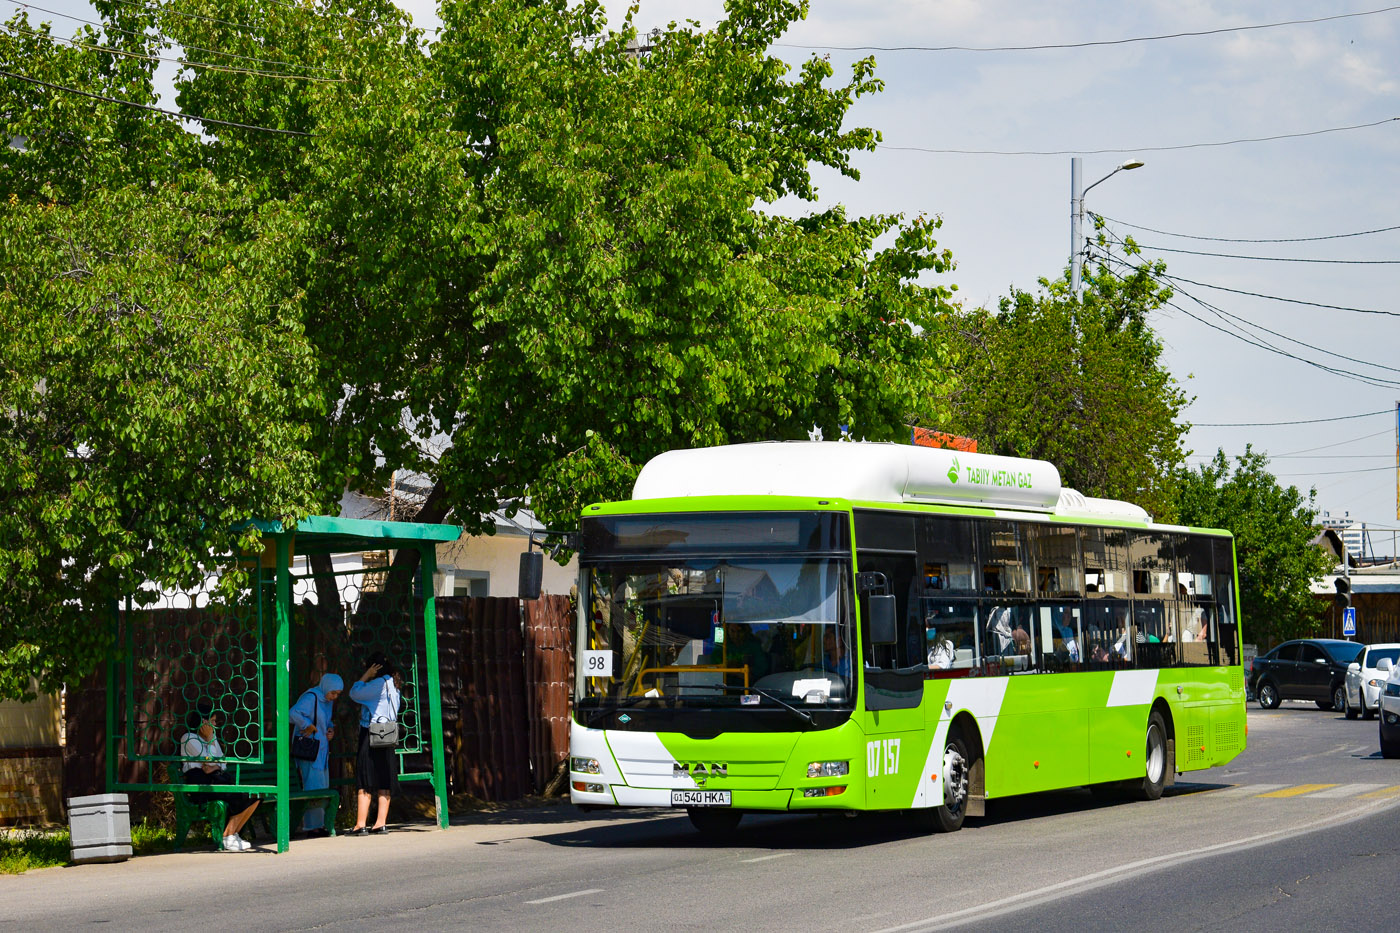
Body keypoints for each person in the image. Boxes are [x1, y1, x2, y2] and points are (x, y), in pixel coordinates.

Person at [180, 701, 260, 851]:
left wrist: (215, 764)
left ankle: (232, 834)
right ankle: (228, 836)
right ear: (204, 721)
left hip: (215, 779)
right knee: (236, 796)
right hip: (200, 785)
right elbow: (205, 760)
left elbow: (222, 762)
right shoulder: (188, 737)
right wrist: (210, 744)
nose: (215, 724)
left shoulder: (212, 736)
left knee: (253, 797)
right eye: (213, 721)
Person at [348, 653, 401, 835]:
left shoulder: (377, 685)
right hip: (388, 735)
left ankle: (360, 824)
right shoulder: (394, 685)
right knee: (384, 779)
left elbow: (354, 693)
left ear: (374, 668)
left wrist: (366, 676)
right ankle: (381, 822)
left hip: (371, 734)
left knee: (365, 778)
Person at [289, 673, 342, 837]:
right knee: (312, 785)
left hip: (322, 750)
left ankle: (320, 824)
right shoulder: (312, 697)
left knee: (321, 785)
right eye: (333, 692)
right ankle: (312, 827)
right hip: (309, 750)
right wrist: (308, 725)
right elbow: (292, 713)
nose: (334, 697)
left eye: (337, 694)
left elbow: (327, 721)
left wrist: (330, 730)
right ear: (326, 687)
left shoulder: (327, 701)